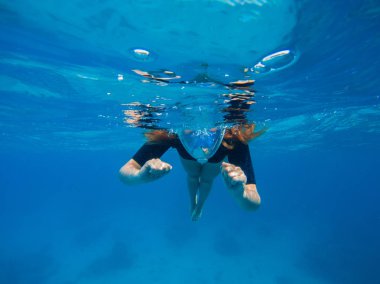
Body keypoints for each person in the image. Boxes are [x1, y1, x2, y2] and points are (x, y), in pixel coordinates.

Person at [119, 124, 265, 221]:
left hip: (212, 162)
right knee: (193, 176)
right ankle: (192, 203)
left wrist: (240, 194)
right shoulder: (173, 133)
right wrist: (140, 176)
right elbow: (125, 173)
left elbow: (253, 204)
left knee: (206, 180)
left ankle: (200, 206)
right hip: (195, 163)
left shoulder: (233, 137)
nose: (201, 134)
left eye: (212, 127)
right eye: (191, 126)